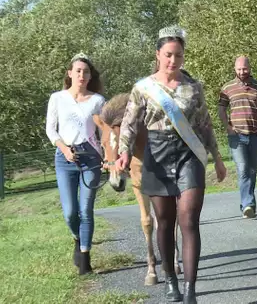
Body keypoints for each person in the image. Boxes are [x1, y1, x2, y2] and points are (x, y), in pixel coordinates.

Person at [116, 25, 227, 303]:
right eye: (168, 55)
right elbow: (129, 123)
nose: (173, 61)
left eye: (178, 55)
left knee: (189, 220)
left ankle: (190, 289)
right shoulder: (143, 89)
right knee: (164, 223)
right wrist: (124, 153)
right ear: (158, 54)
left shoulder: (193, 88)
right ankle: (171, 279)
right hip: (157, 153)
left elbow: (205, 124)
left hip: (189, 154)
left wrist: (217, 158)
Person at [45, 52, 106, 275]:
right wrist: (64, 149)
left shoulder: (98, 101)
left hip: (91, 157)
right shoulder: (57, 98)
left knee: (86, 209)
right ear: (70, 73)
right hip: (65, 158)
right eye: (78, 70)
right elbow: (51, 129)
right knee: (70, 212)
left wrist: (108, 157)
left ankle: (85, 258)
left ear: (90, 76)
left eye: (86, 71)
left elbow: (105, 132)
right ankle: (77, 237)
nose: (82, 74)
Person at [218, 56, 257, 218]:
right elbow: (221, 109)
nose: (242, 72)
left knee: (252, 170)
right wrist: (228, 127)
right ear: (235, 69)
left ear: (250, 68)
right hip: (236, 136)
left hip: (255, 134)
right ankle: (248, 204)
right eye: (239, 69)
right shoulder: (227, 87)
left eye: (245, 68)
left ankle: (248, 204)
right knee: (243, 169)